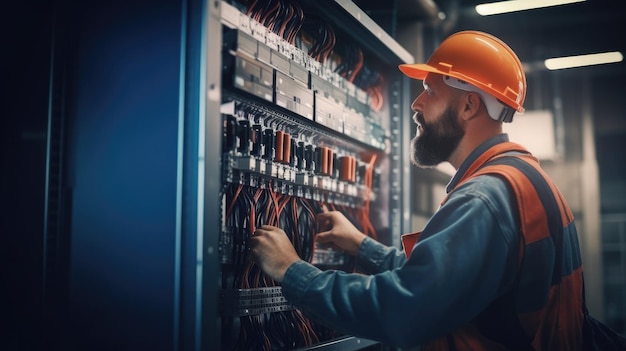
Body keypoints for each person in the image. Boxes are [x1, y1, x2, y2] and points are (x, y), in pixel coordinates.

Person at [249, 30, 584, 350]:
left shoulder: (484, 199)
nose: (416, 104)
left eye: (430, 91)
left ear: (469, 106)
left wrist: (290, 270)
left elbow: (402, 309)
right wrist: (361, 246)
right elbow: (445, 282)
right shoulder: (522, 178)